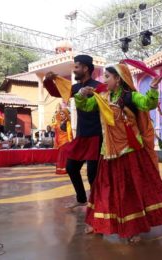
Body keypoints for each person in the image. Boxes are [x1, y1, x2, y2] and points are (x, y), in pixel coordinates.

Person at [75, 64, 162, 242]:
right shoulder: (102, 97)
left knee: (130, 191)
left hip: (129, 152)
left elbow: (148, 104)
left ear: (118, 79)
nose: (104, 80)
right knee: (103, 190)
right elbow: (86, 107)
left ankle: (134, 228)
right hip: (108, 153)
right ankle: (98, 222)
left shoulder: (130, 97)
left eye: (107, 77)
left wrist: (152, 89)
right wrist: (81, 95)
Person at [43, 55, 103, 208]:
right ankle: (82, 199)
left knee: (92, 175)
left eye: (76, 67)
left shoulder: (98, 87)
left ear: (85, 68)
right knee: (71, 168)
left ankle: (98, 206)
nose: (74, 70)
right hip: (82, 136)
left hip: (97, 135)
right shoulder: (75, 88)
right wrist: (48, 80)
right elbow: (57, 92)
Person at [53, 108, 73, 174]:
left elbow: (69, 133)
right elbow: (53, 125)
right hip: (60, 142)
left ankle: (64, 169)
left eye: (63, 114)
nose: (61, 115)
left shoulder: (67, 122)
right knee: (61, 155)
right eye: (60, 114)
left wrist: (70, 142)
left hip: (65, 142)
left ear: (66, 115)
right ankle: (61, 168)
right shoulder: (59, 122)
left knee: (63, 156)